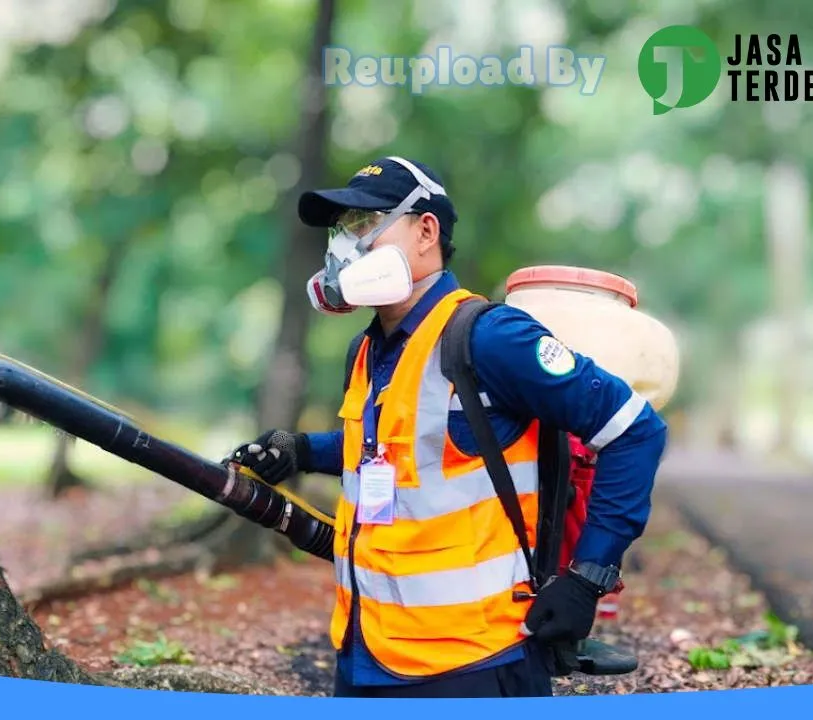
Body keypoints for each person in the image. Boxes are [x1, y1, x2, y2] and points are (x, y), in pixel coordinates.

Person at [227, 156, 669, 698]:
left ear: (425, 231)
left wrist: (587, 579)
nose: (346, 244)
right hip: (364, 651)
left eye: (365, 224)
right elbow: (401, 450)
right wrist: (300, 451)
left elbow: (635, 430)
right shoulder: (367, 349)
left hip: (476, 665)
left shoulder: (491, 337)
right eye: (341, 227)